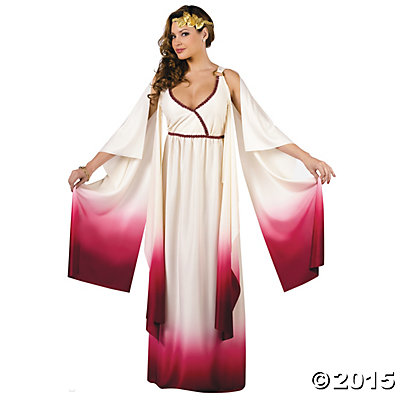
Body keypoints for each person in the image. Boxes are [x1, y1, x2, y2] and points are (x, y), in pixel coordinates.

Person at [67, 5, 335, 393]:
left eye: (184, 34)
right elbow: (129, 130)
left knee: (210, 269)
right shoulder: (163, 80)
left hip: (213, 189)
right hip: (171, 190)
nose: (177, 42)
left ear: (204, 34)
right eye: (173, 35)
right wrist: (89, 167)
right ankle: (175, 365)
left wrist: (307, 158)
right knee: (176, 270)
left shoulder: (228, 80)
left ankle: (214, 370)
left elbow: (264, 129)